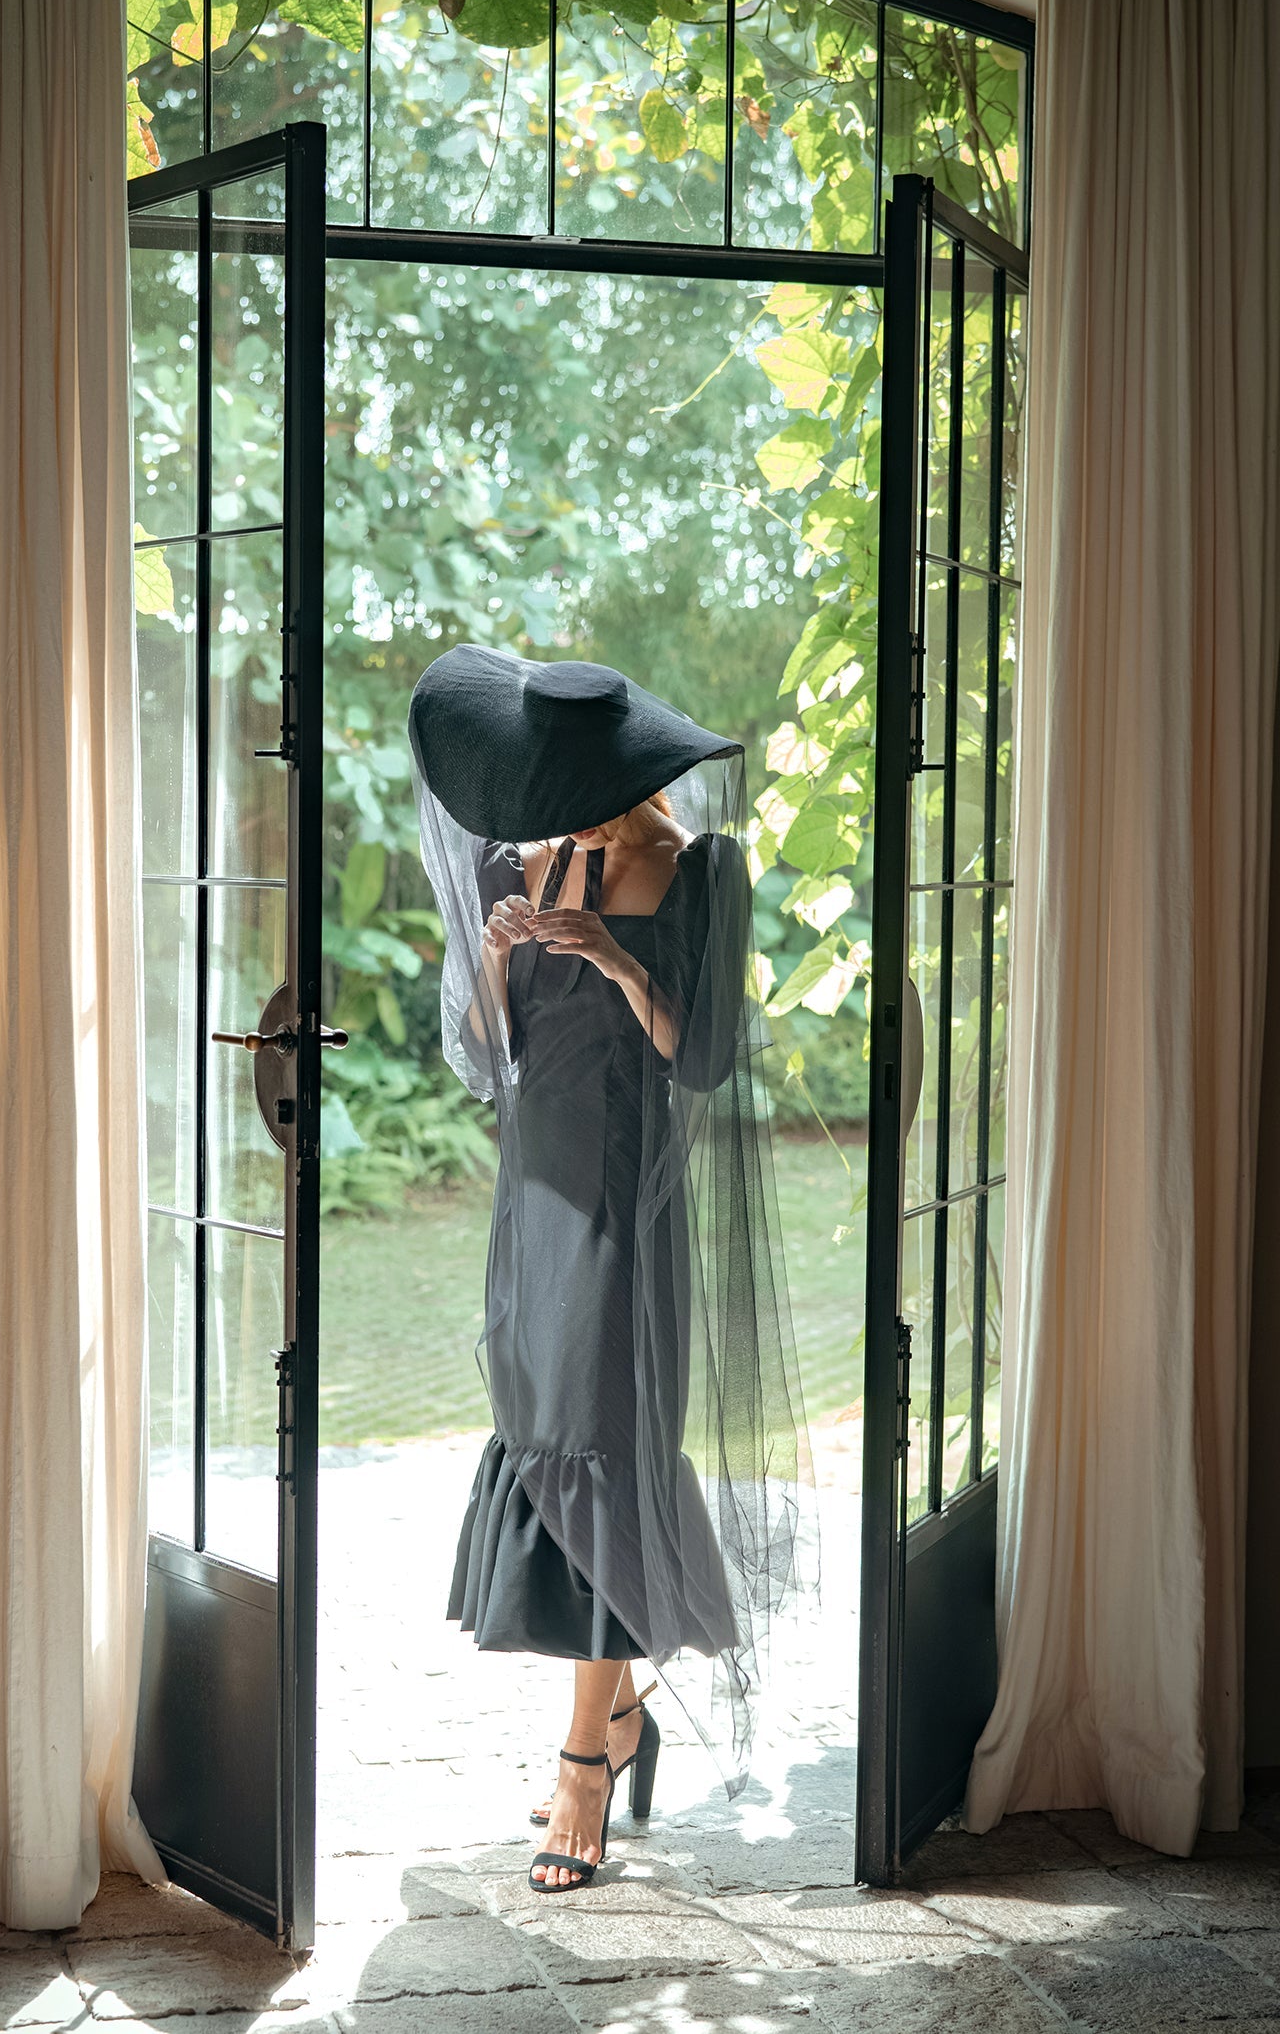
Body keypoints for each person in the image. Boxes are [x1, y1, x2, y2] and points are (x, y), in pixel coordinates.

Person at [408, 647, 811, 1896]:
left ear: (627, 771)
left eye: (582, 784)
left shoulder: (693, 871)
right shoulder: (505, 861)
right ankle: (622, 1707)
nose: (558, 808)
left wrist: (616, 958)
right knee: (547, 1447)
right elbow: (482, 1053)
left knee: (606, 1445)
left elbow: (702, 1064)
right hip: (531, 1196)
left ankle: (583, 1758)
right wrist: (495, 950)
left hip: (628, 1204)